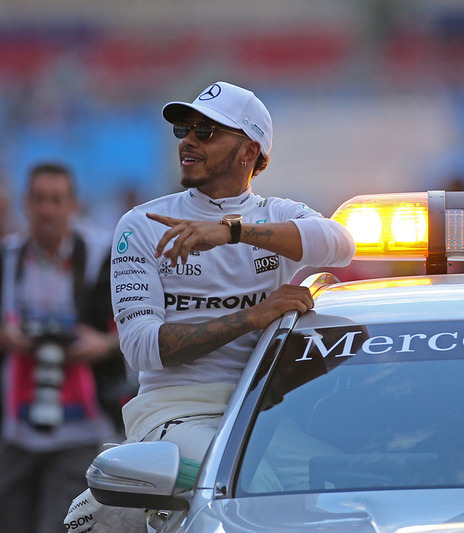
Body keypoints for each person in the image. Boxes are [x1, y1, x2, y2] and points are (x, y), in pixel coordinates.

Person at [65, 81, 355, 532]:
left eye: (207, 131)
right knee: (247, 491)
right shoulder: (141, 224)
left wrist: (232, 231)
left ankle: (122, 506)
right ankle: (115, 506)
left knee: (341, 496)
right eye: (186, 128)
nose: (188, 140)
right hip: (172, 411)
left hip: (262, 414)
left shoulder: (275, 214)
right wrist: (252, 317)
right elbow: (142, 349)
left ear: (248, 151)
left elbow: (341, 243)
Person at [0, 162, 120, 533]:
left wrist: (102, 345)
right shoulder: (7, 257)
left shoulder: (102, 255)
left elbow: (137, 327)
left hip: (82, 428)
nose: (46, 209)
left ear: (74, 205)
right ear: (25, 203)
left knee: (57, 526)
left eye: (56, 200)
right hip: (15, 428)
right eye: (38, 199)